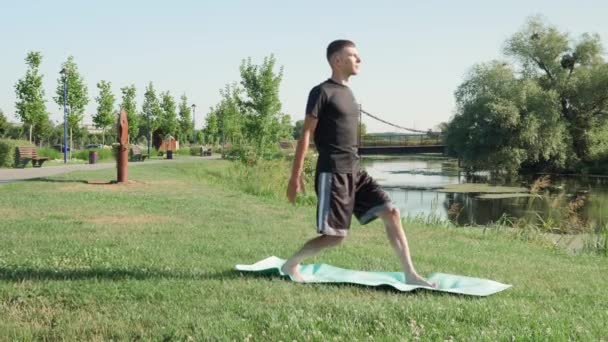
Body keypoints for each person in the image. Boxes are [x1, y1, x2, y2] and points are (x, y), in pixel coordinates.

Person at [281, 39, 434, 287]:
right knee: (334, 237)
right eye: (354, 55)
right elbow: (307, 134)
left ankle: (410, 273)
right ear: (337, 60)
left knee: (391, 212)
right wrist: (295, 177)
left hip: (356, 171)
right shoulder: (321, 92)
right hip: (334, 173)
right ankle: (291, 264)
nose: (359, 60)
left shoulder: (348, 93)